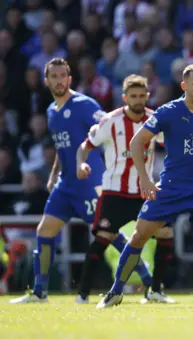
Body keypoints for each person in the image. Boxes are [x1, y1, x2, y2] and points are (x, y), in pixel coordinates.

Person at [96, 64, 193, 308]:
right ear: (184, 86)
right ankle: (116, 291)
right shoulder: (168, 112)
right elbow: (138, 142)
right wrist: (145, 179)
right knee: (138, 237)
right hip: (170, 188)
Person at [10, 58, 106, 304]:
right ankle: (40, 292)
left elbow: (108, 127)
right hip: (65, 184)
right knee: (45, 231)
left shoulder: (84, 104)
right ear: (46, 81)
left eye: (63, 75)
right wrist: (54, 174)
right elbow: (63, 147)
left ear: (70, 79)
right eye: (54, 76)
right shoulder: (52, 111)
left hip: (88, 180)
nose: (59, 80)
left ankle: (148, 282)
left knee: (108, 233)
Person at [75, 74, 175, 304]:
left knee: (166, 234)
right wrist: (81, 162)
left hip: (144, 191)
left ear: (147, 96)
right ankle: (82, 293)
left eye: (142, 96)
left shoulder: (154, 120)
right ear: (124, 97)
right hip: (115, 192)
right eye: (133, 96)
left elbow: (170, 143)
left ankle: (155, 291)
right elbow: (85, 146)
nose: (138, 100)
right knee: (103, 239)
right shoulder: (110, 121)